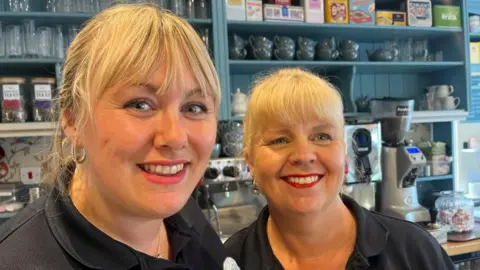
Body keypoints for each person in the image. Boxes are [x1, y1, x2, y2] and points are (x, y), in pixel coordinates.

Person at [0, 4, 235, 270]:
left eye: (194, 107)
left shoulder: (186, 215)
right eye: (140, 105)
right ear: (73, 120)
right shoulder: (16, 260)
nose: (175, 137)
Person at [224, 68, 455, 270]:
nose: (304, 156)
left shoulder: (414, 251)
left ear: (345, 156)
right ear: (251, 162)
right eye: (280, 140)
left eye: (322, 136)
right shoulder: (227, 261)